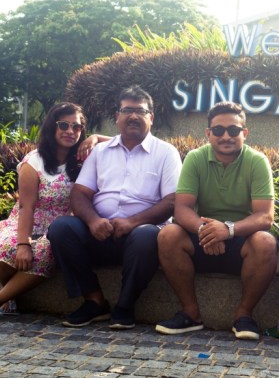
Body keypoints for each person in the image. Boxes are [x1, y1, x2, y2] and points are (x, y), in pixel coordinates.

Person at [47, 86, 182, 330]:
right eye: (127, 110)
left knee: (147, 235)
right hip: (100, 231)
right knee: (61, 228)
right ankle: (94, 301)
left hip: (140, 236)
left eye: (140, 111)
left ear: (151, 117)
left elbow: (172, 201)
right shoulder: (100, 152)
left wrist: (132, 222)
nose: (133, 116)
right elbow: (80, 194)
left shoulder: (166, 153)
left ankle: (125, 306)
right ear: (117, 116)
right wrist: (93, 221)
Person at [0, 102, 106, 320]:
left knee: (43, 252)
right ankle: (9, 296)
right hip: (27, 220)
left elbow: (122, 141)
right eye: (63, 125)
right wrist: (24, 244)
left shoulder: (84, 157)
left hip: (60, 227)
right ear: (52, 126)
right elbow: (26, 206)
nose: (70, 131)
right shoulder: (34, 161)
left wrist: (95, 137)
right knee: (5, 253)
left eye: (77, 127)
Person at [155, 101, 275, 340]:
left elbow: (265, 216)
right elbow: (182, 208)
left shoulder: (257, 161)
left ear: (244, 133)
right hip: (202, 238)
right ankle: (190, 313)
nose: (226, 136)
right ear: (208, 133)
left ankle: (244, 316)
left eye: (234, 130)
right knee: (167, 235)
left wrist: (228, 230)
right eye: (218, 130)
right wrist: (206, 231)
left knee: (266, 242)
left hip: (241, 241)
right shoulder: (195, 158)